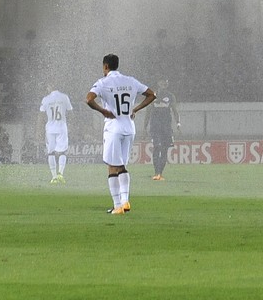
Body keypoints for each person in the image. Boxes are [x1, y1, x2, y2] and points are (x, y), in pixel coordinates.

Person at [86, 53, 155, 215]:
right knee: (122, 165)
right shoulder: (130, 81)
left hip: (113, 128)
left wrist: (103, 111)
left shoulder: (103, 83)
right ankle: (125, 202)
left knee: (112, 166)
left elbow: (89, 99)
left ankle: (119, 204)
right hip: (129, 128)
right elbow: (152, 94)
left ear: (105, 66)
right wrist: (135, 109)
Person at [146, 80, 179, 181]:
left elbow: (174, 110)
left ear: (167, 85)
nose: (163, 85)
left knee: (164, 149)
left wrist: (178, 123)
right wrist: (144, 127)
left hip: (166, 127)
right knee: (157, 147)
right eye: (161, 83)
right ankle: (156, 172)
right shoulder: (152, 95)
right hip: (155, 127)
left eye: (165, 83)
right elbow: (148, 112)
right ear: (158, 84)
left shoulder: (170, 96)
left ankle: (160, 173)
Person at [40, 87, 73, 184]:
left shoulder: (46, 99)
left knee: (51, 152)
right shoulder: (64, 97)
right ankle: (60, 174)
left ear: (49, 88)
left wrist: (38, 129)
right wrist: (71, 125)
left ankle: (54, 177)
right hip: (62, 127)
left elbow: (41, 115)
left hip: (50, 128)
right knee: (62, 152)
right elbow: (70, 112)